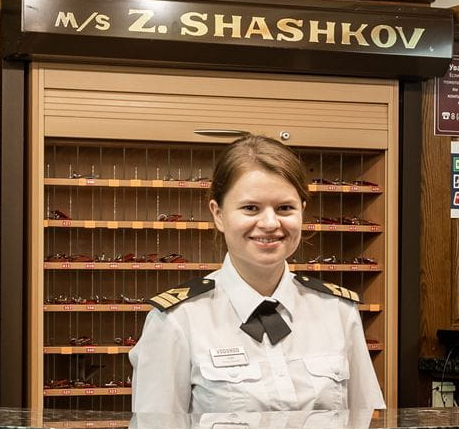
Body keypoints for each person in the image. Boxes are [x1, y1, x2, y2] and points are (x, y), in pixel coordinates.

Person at [129, 136, 384, 415]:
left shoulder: (337, 311)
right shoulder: (177, 321)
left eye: (285, 208)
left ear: (302, 211)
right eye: (250, 208)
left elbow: (367, 424)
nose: (270, 223)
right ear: (218, 214)